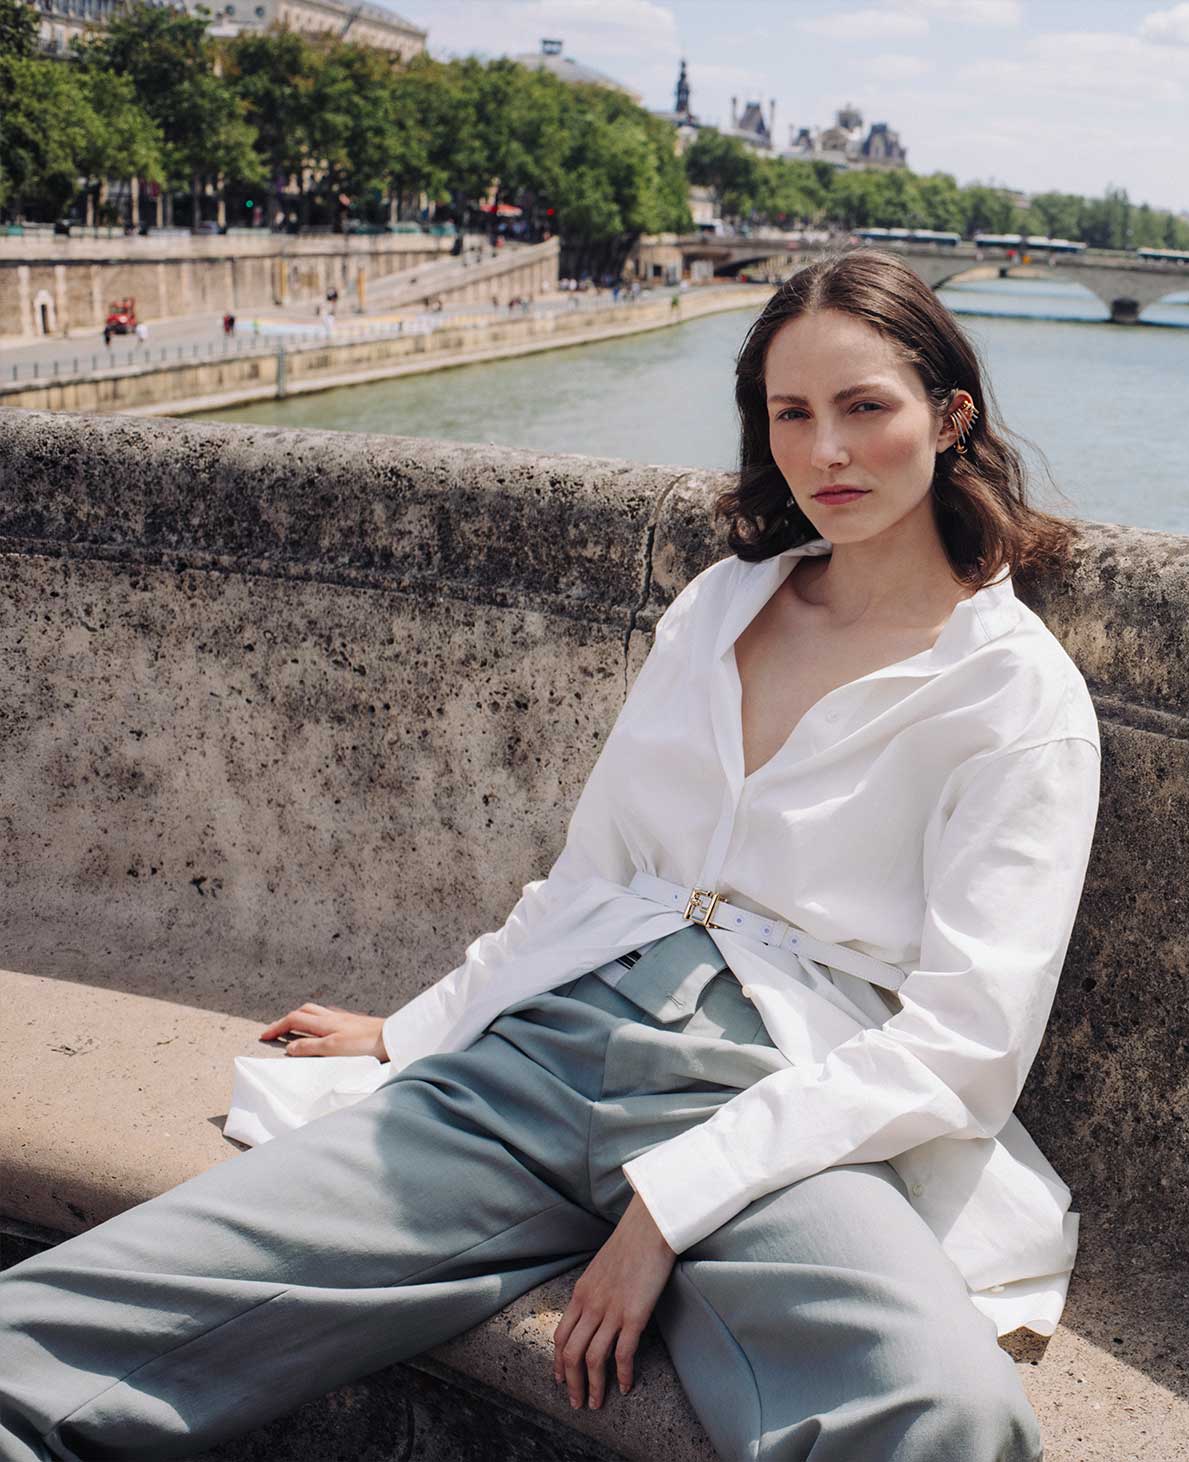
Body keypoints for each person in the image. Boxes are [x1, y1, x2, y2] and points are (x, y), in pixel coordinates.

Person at [0, 249, 1099, 1462]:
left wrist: (669, 1207)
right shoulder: (722, 604)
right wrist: (417, 1026)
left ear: (949, 417)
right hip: (542, 1057)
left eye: (864, 408)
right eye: (791, 414)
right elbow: (595, 874)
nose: (825, 451)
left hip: (776, 1098)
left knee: (944, 1416)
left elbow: (968, 1042)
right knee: (55, 1327)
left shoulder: (1013, 694)